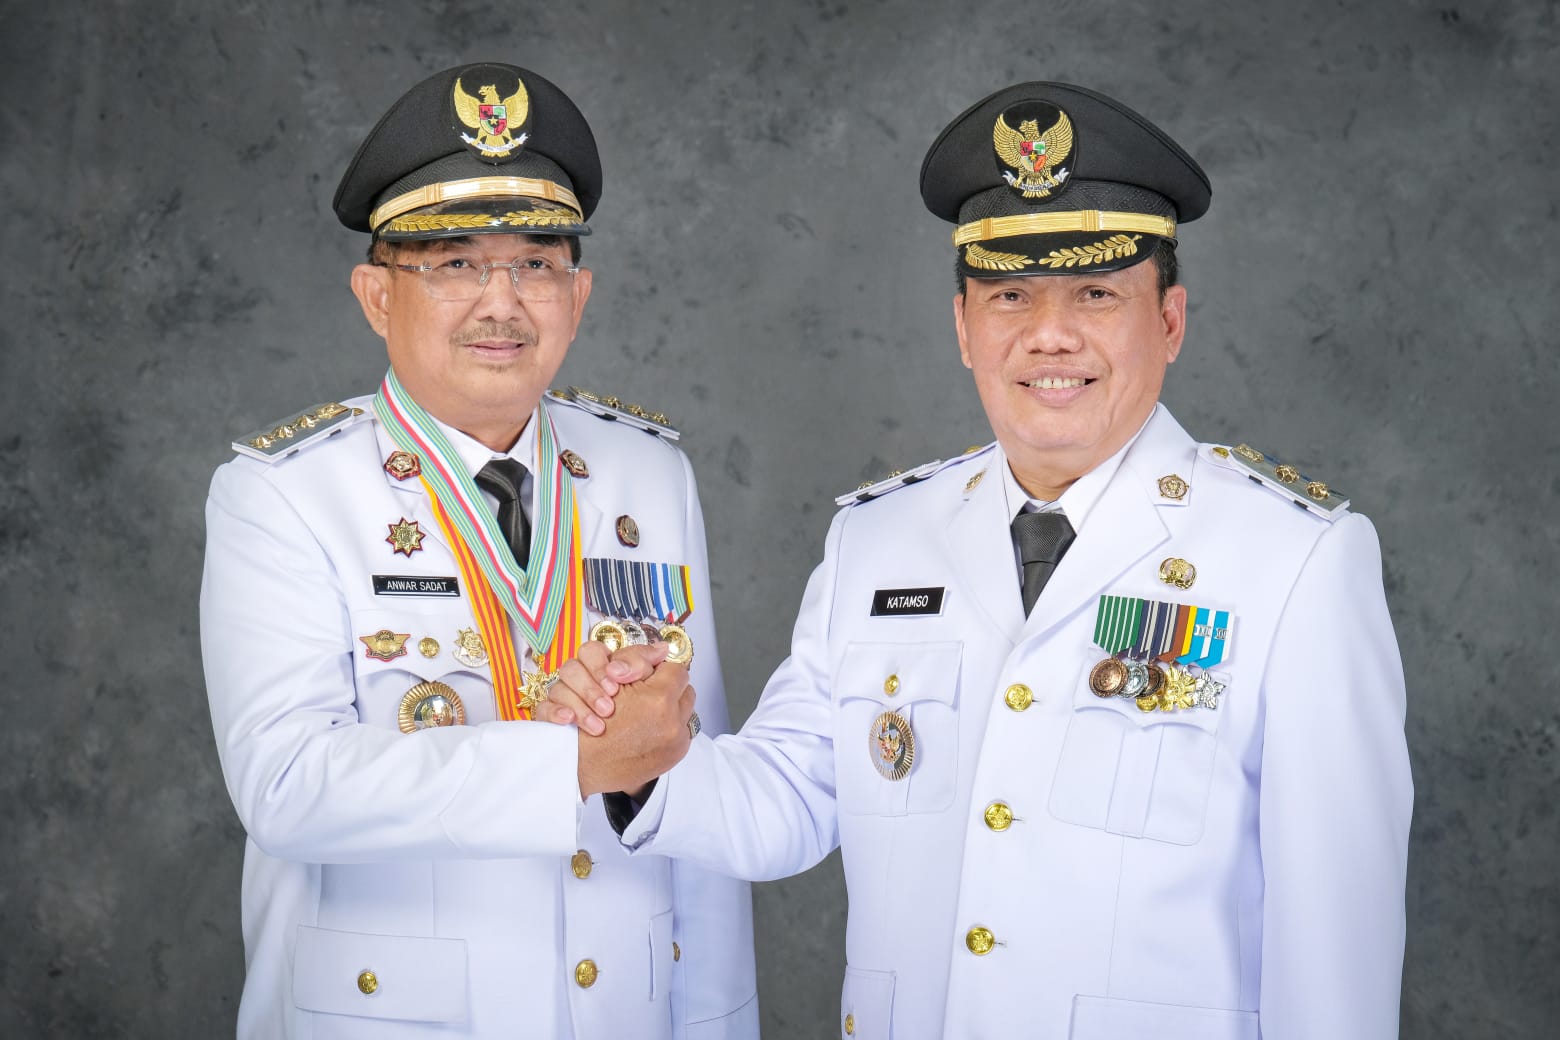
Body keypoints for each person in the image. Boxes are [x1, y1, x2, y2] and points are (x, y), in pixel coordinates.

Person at [581, 82, 1413, 1039]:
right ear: (964, 327)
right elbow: (790, 795)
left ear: (1170, 322)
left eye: (1096, 293)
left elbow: (1336, 936)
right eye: (1010, 294)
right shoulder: (878, 540)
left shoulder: (1295, 559)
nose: (1049, 334)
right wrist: (642, 764)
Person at [200, 62, 757, 1039]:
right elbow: (286, 788)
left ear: (578, 293)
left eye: (536, 264)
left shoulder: (649, 474)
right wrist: (569, 764)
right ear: (377, 296)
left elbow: (693, 784)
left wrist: (719, 1023)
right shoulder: (285, 493)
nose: (502, 303)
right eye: (454, 263)